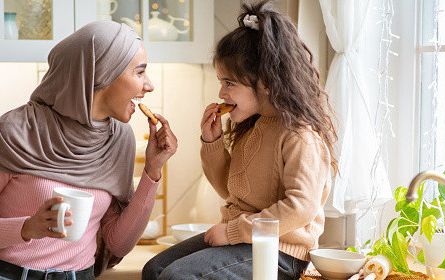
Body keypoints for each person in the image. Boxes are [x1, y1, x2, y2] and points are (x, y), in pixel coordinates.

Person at [142, 0, 338, 279]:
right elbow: (230, 190)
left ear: (267, 82)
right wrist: (212, 144)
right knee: (155, 269)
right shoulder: (252, 126)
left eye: (229, 83)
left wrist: (234, 230)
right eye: (221, 82)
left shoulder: (300, 135)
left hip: (281, 253)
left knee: (177, 276)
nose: (221, 93)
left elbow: (300, 207)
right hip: (245, 241)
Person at [0, 21, 177, 279]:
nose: (148, 85)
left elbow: (118, 244)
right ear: (102, 73)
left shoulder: (119, 140)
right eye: (139, 73)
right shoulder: (15, 131)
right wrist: (27, 228)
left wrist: (153, 170)